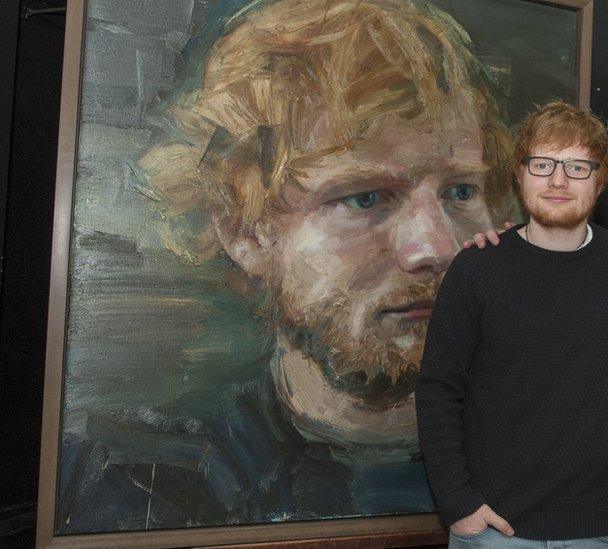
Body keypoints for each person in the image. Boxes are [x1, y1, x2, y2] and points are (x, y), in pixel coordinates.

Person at [57, 0, 520, 532]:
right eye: (366, 198)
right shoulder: (145, 480)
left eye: (461, 191)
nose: (435, 249)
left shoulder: (545, 443)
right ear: (246, 232)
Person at [415, 101, 608, 547]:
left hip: (597, 532)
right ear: (520, 174)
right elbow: (438, 391)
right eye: (543, 164)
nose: (559, 180)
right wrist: (459, 504)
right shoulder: (477, 269)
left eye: (577, 167)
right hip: (493, 531)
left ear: (601, 180)